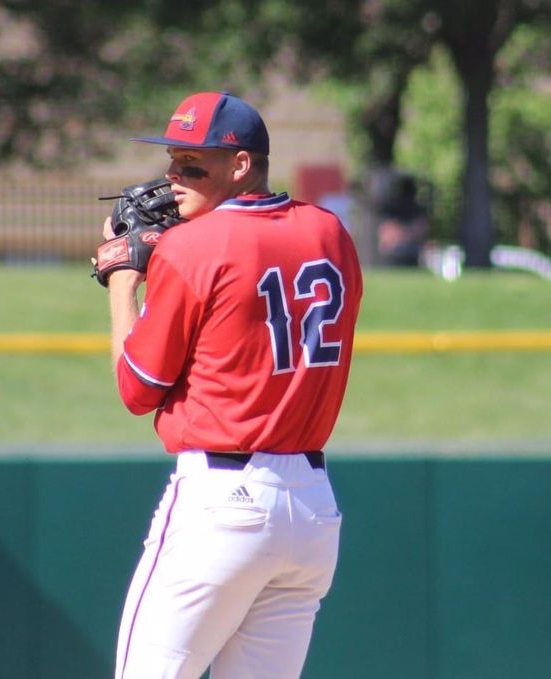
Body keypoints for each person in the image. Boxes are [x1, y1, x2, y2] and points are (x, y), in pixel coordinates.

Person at [102, 91, 363, 679]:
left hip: (222, 505)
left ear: (240, 165)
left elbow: (137, 388)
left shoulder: (193, 247)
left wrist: (122, 276)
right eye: (171, 161)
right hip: (313, 511)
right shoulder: (331, 233)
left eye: (192, 164)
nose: (172, 178)